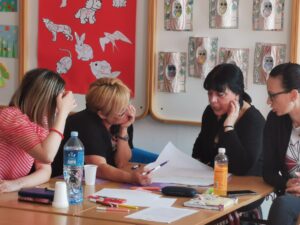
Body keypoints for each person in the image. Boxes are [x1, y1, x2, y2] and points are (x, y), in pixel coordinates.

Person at [192, 63, 265, 221]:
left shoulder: (254, 121)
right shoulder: (210, 113)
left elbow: (242, 167)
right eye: (209, 94)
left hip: (246, 190)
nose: (213, 100)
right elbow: (198, 152)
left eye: (220, 94)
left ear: (237, 94)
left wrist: (229, 127)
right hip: (213, 186)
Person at [51, 77, 151, 185]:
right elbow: (98, 168)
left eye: (127, 105)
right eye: (121, 111)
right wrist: (131, 178)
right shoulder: (85, 123)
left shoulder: (121, 120)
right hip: (63, 182)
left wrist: (124, 129)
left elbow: (121, 163)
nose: (129, 113)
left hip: (98, 182)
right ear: (102, 114)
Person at [0, 68, 76, 193]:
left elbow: (45, 170)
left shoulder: (42, 123)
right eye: (59, 98)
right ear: (46, 98)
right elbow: (47, 156)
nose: (60, 103)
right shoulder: (11, 116)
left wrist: (15, 184)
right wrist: (63, 113)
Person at [263, 63, 300, 225]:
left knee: (283, 205)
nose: (268, 101)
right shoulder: (275, 120)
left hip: (288, 202)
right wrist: (286, 182)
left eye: (272, 95)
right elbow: (268, 171)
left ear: (293, 95)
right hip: (291, 195)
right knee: (284, 204)